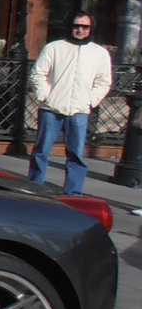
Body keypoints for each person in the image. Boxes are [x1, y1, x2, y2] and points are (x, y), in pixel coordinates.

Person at [29, 11, 112, 195]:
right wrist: (45, 96)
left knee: (76, 155)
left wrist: (90, 101)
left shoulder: (99, 53)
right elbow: (38, 74)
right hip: (51, 109)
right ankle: (34, 189)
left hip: (80, 110)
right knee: (41, 151)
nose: (80, 30)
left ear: (91, 29)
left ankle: (73, 193)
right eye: (77, 26)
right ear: (70, 27)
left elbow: (103, 81)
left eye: (85, 27)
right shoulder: (54, 48)